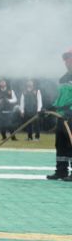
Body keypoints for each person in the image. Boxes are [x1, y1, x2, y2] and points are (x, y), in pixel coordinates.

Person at [47, 50, 72, 181]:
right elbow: (60, 98)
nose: (67, 62)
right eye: (66, 59)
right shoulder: (64, 79)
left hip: (70, 116)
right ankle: (61, 171)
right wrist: (50, 108)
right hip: (62, 117)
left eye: (70, 58)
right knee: (61, 144)